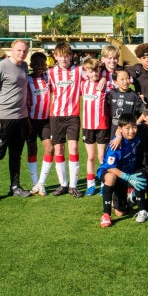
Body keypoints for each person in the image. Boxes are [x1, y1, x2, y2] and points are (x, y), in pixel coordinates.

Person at [0, 39, 32, 202]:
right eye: (19, 50)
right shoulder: (1, 67)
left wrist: (27, 118)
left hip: (21, 119)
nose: (22, 53)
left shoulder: (24, 66)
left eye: (24, 51)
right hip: (4, 119)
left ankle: (15, 187)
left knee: (16, 155)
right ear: (12, 50)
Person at [48, 42, 93, 198]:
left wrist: (100, 80)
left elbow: (93, 75)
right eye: (60, 56)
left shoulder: (79, 70)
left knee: (73, 148)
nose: (64, 59)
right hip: (56, 116)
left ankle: (73, 185)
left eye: (66, 56)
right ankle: (63, 184)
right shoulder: (51, 73)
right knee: (59, 149)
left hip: (73, 115)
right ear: (55, 56)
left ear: (71, 56)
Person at [97, 113, 146, 227]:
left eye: (134, 127)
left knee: (120, 213)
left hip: (126, 174)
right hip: (112, 172)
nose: (131, 131)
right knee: (110, 178)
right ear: (120, 128)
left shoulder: (136, 137)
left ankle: (128, 197)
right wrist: (127, 177)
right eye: (127, 128)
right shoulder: (115, 144)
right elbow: (111, 167)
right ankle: (106, 214)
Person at [25, 52, 54, 196]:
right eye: (36, 64)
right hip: (30, 120)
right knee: (32, 150)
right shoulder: (27, 79)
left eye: (42, 64)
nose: (39, 67)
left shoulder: (48, 78)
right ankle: (35, 183)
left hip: (45, 121)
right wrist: (27, 121)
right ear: (31, 65)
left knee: (50, 149)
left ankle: (41, 183)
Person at [81, 58, 109, 196]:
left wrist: (104, 77)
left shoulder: (105, 84)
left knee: (102, 156)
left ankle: (104, 184)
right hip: (87, 126)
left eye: (97, 71)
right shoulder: (83, 84)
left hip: (102, 125)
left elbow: (113, 75)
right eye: (91, 71)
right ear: (86, 72)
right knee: (90, 156)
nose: (94, 74)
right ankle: (90, 184)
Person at [107, 69, 144, 138]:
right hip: (114, 130)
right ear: (115, 82)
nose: (125, 82)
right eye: (122, 79)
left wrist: (136, 123)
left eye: (127, 78)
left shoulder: (134, 95)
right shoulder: (111, 94)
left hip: (129, 132)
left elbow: (145, 112)